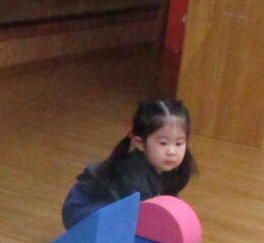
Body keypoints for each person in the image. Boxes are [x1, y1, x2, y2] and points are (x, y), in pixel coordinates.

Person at [62, 98, 196, 229]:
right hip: (83, 210)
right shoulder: (133, 175)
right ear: (140, 143)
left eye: (179, 143)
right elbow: (140, 219)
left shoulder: (173, 166)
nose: (172, 151)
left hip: (118, 207)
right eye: (163, 143)